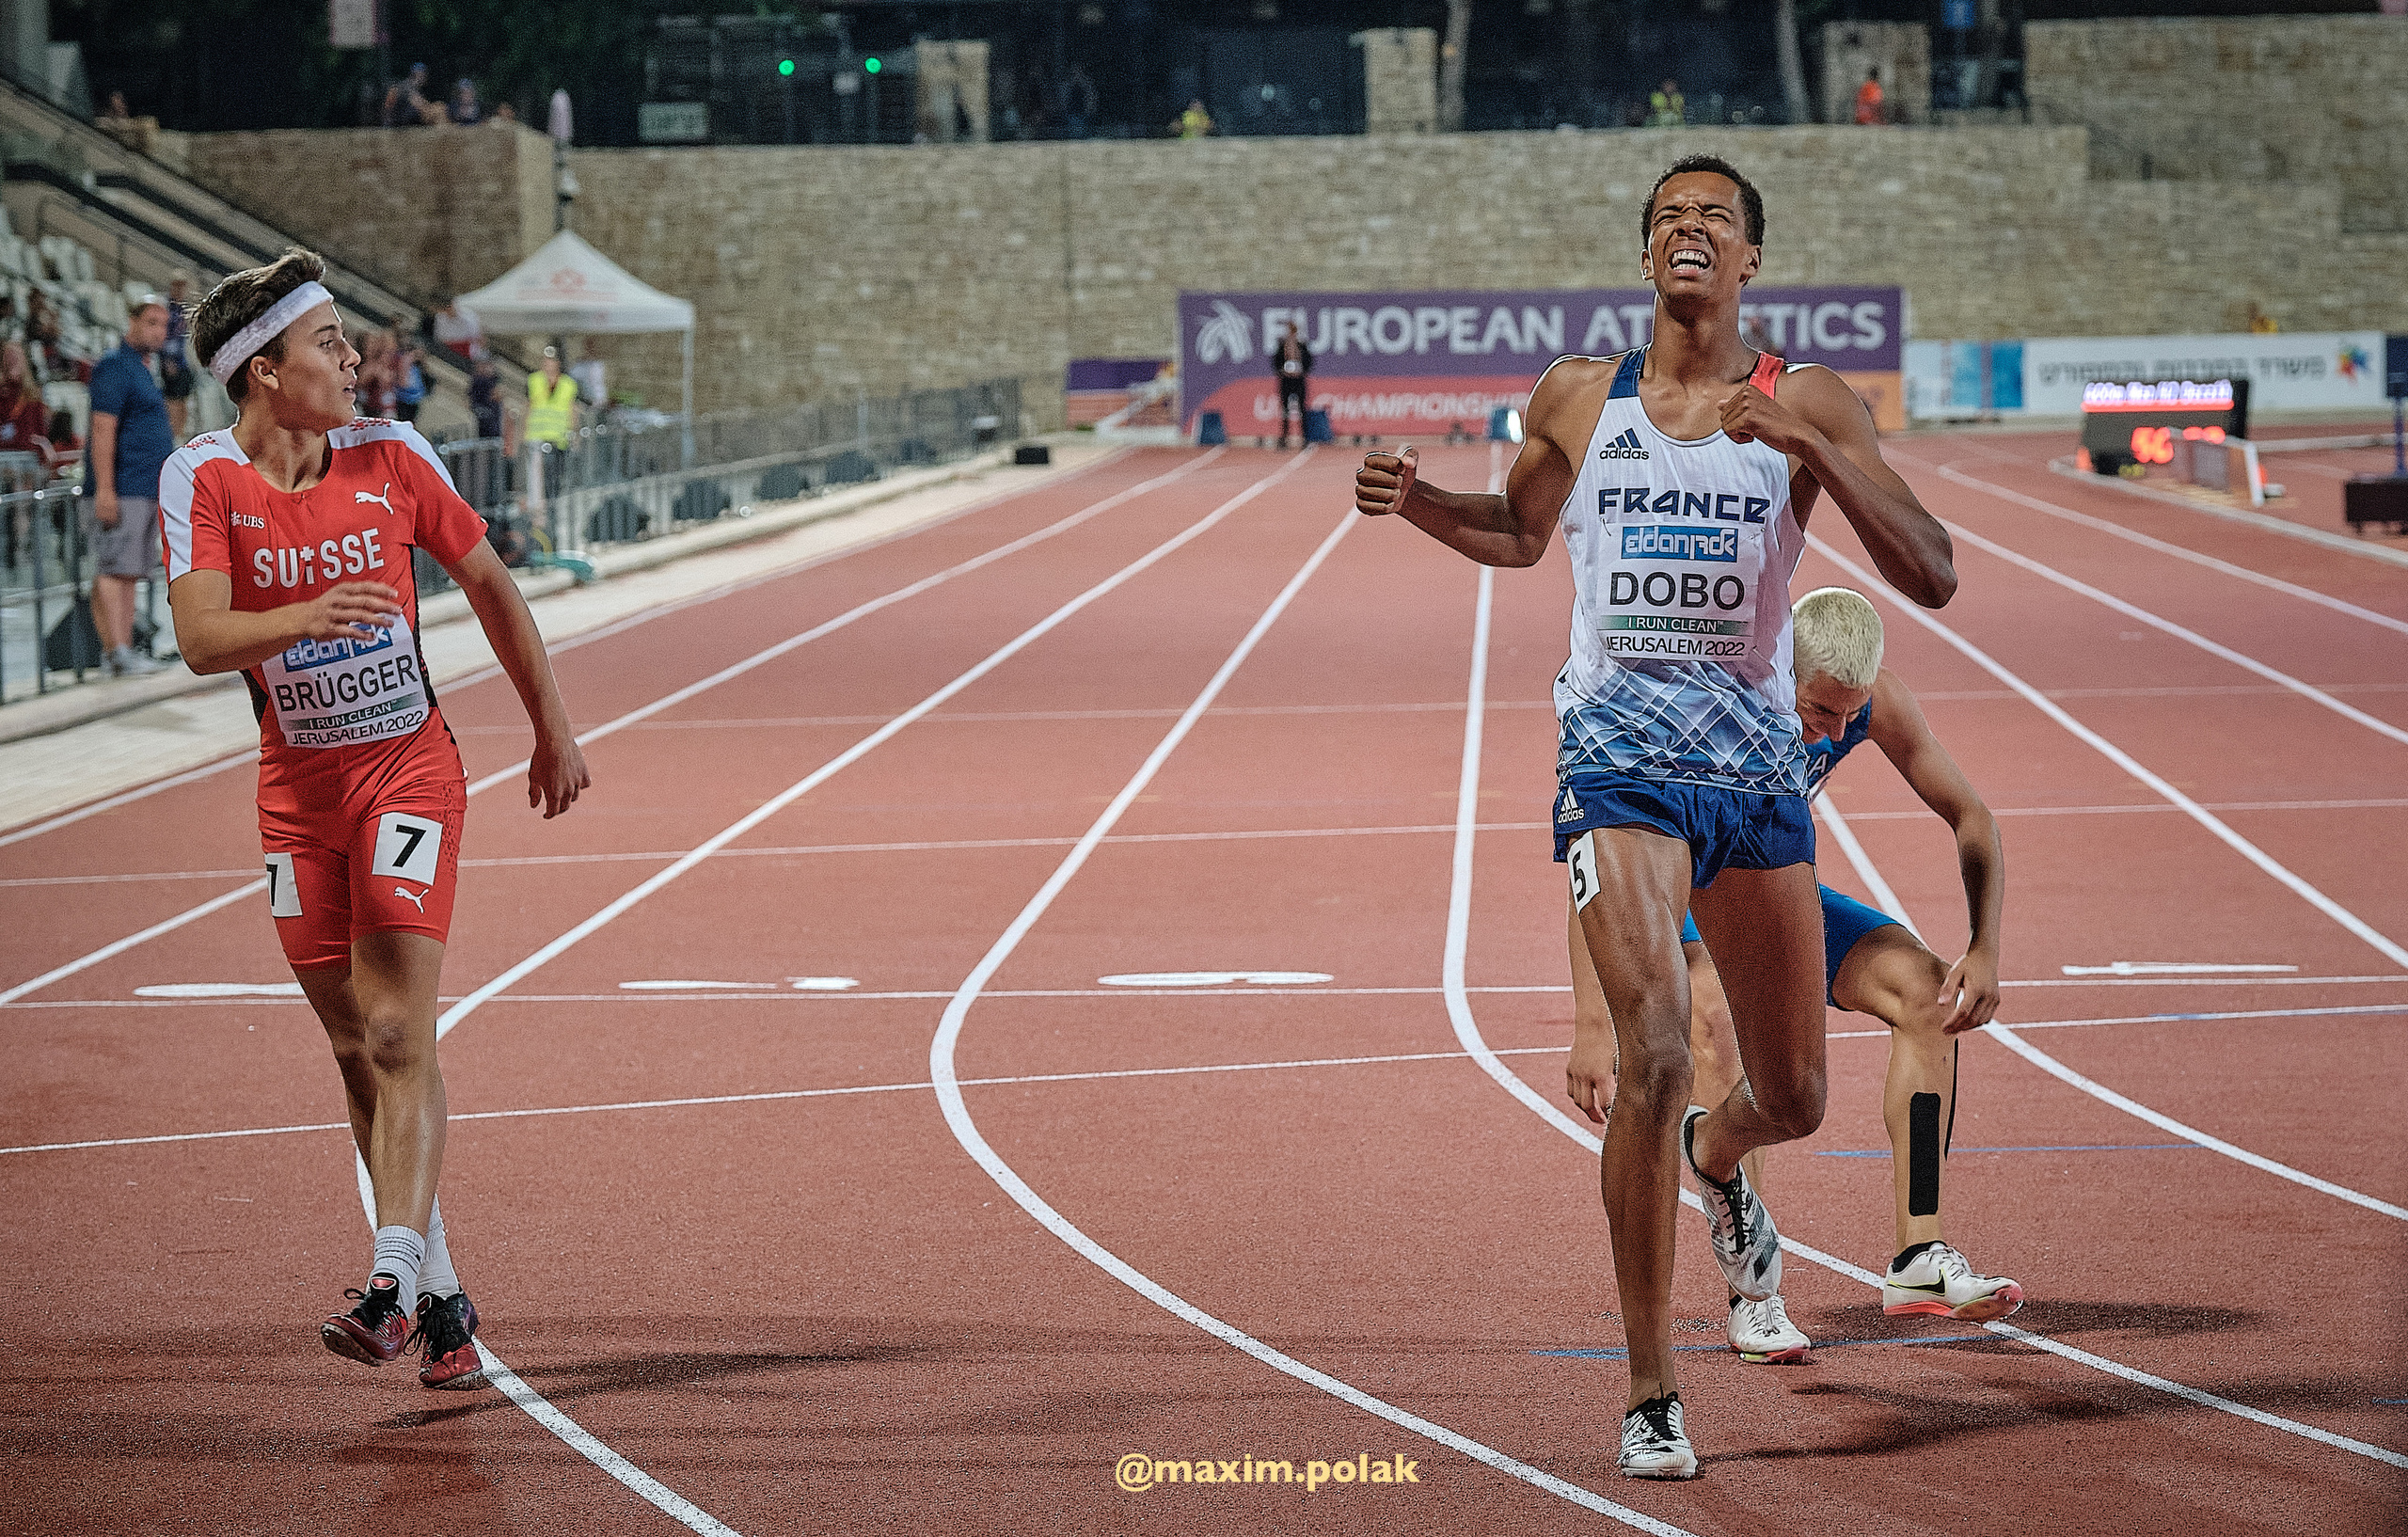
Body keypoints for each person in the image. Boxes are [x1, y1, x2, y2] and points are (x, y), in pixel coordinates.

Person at [1353, 154, 1956, 1479]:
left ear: (1749, 264)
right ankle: (1650, 1386)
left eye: (1717, 221)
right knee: (1658, 1048)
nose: (1692, 230)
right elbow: (1518, 534)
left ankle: (1715, 1161)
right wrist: (1421, 506)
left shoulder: (1806, 399)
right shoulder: (1579, 395)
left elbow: (1936, 570)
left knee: (1792, 1094)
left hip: (1753, 776)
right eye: (1671, 218)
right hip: (1617, 760)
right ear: (1647, 259)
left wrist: (1804, 448)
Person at [161, 248, 589, 1391]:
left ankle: (390, 1282)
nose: (357, 359)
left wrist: (551, 725)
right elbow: (202, 639)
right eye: (330, 344)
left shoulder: (395, 455)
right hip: (296, 803)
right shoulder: (202, 479)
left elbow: (493, 583)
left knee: (400, 1033)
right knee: (356, 1049)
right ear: (262, 373)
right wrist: (308, 614)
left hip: (408, 775)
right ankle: (445, 1302)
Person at [1575, 586, 2021, 1368]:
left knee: (1925, 991)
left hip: (1771, 887)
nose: (1837, 731)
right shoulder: (1708, 700)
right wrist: (1592, 1025)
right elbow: (1601, 855)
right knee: (1711, 1006)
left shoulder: (1867, 703)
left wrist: (1984, 945)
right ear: (1780, 668)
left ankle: (1920, 1254)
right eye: (1820, 710)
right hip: (1685, 892)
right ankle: (1753, 1297)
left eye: (1852, 715)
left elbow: (1972, 815)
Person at [86, 297, 177, 677]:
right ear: (133, 321)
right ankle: (117, 653)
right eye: (151, 322)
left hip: (141, 488)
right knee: (114, 570)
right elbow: (102, 429)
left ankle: (122, 650)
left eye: (163, 325)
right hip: (121, 488)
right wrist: (105, 490)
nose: (158, 331)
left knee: (129, 572)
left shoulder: (145, 371)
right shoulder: (114, 366)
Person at [160, 271, 196, 439]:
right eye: (177, 286)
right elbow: (166, 338)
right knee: (172, 400)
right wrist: (167, 360)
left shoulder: (182, 309)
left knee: (183, 401)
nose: (180, 290)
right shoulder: (167, 310)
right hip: (170, 362)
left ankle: (180, 434)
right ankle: (172, 435)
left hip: (183, 362)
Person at [0, 341, 50, 457]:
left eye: (16, 357)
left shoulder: (32, 396)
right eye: (8, 357)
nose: (12, 361)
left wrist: (44, 450)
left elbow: (40, 431)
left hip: (27, 456)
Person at [525, 345, 578, 451]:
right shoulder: (533, 380)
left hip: (559, 438)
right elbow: (528, 407)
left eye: (551, 361)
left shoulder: (569, 384)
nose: (548, 364)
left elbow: (572, 410)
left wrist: (574, 434)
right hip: (536, 436)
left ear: (558, 363)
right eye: (545, 360)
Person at [1272, 320, 1311, 449]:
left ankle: (1304, 438)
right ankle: (1284, 437)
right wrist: (1282, 371)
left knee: (1302, 409)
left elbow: (1309, 361)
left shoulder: (1302, 345)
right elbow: (1275, 362)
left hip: (1299, 381)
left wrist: (1302, 370)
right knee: (1285, 410)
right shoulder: (1282, 345)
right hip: (1286, 381)